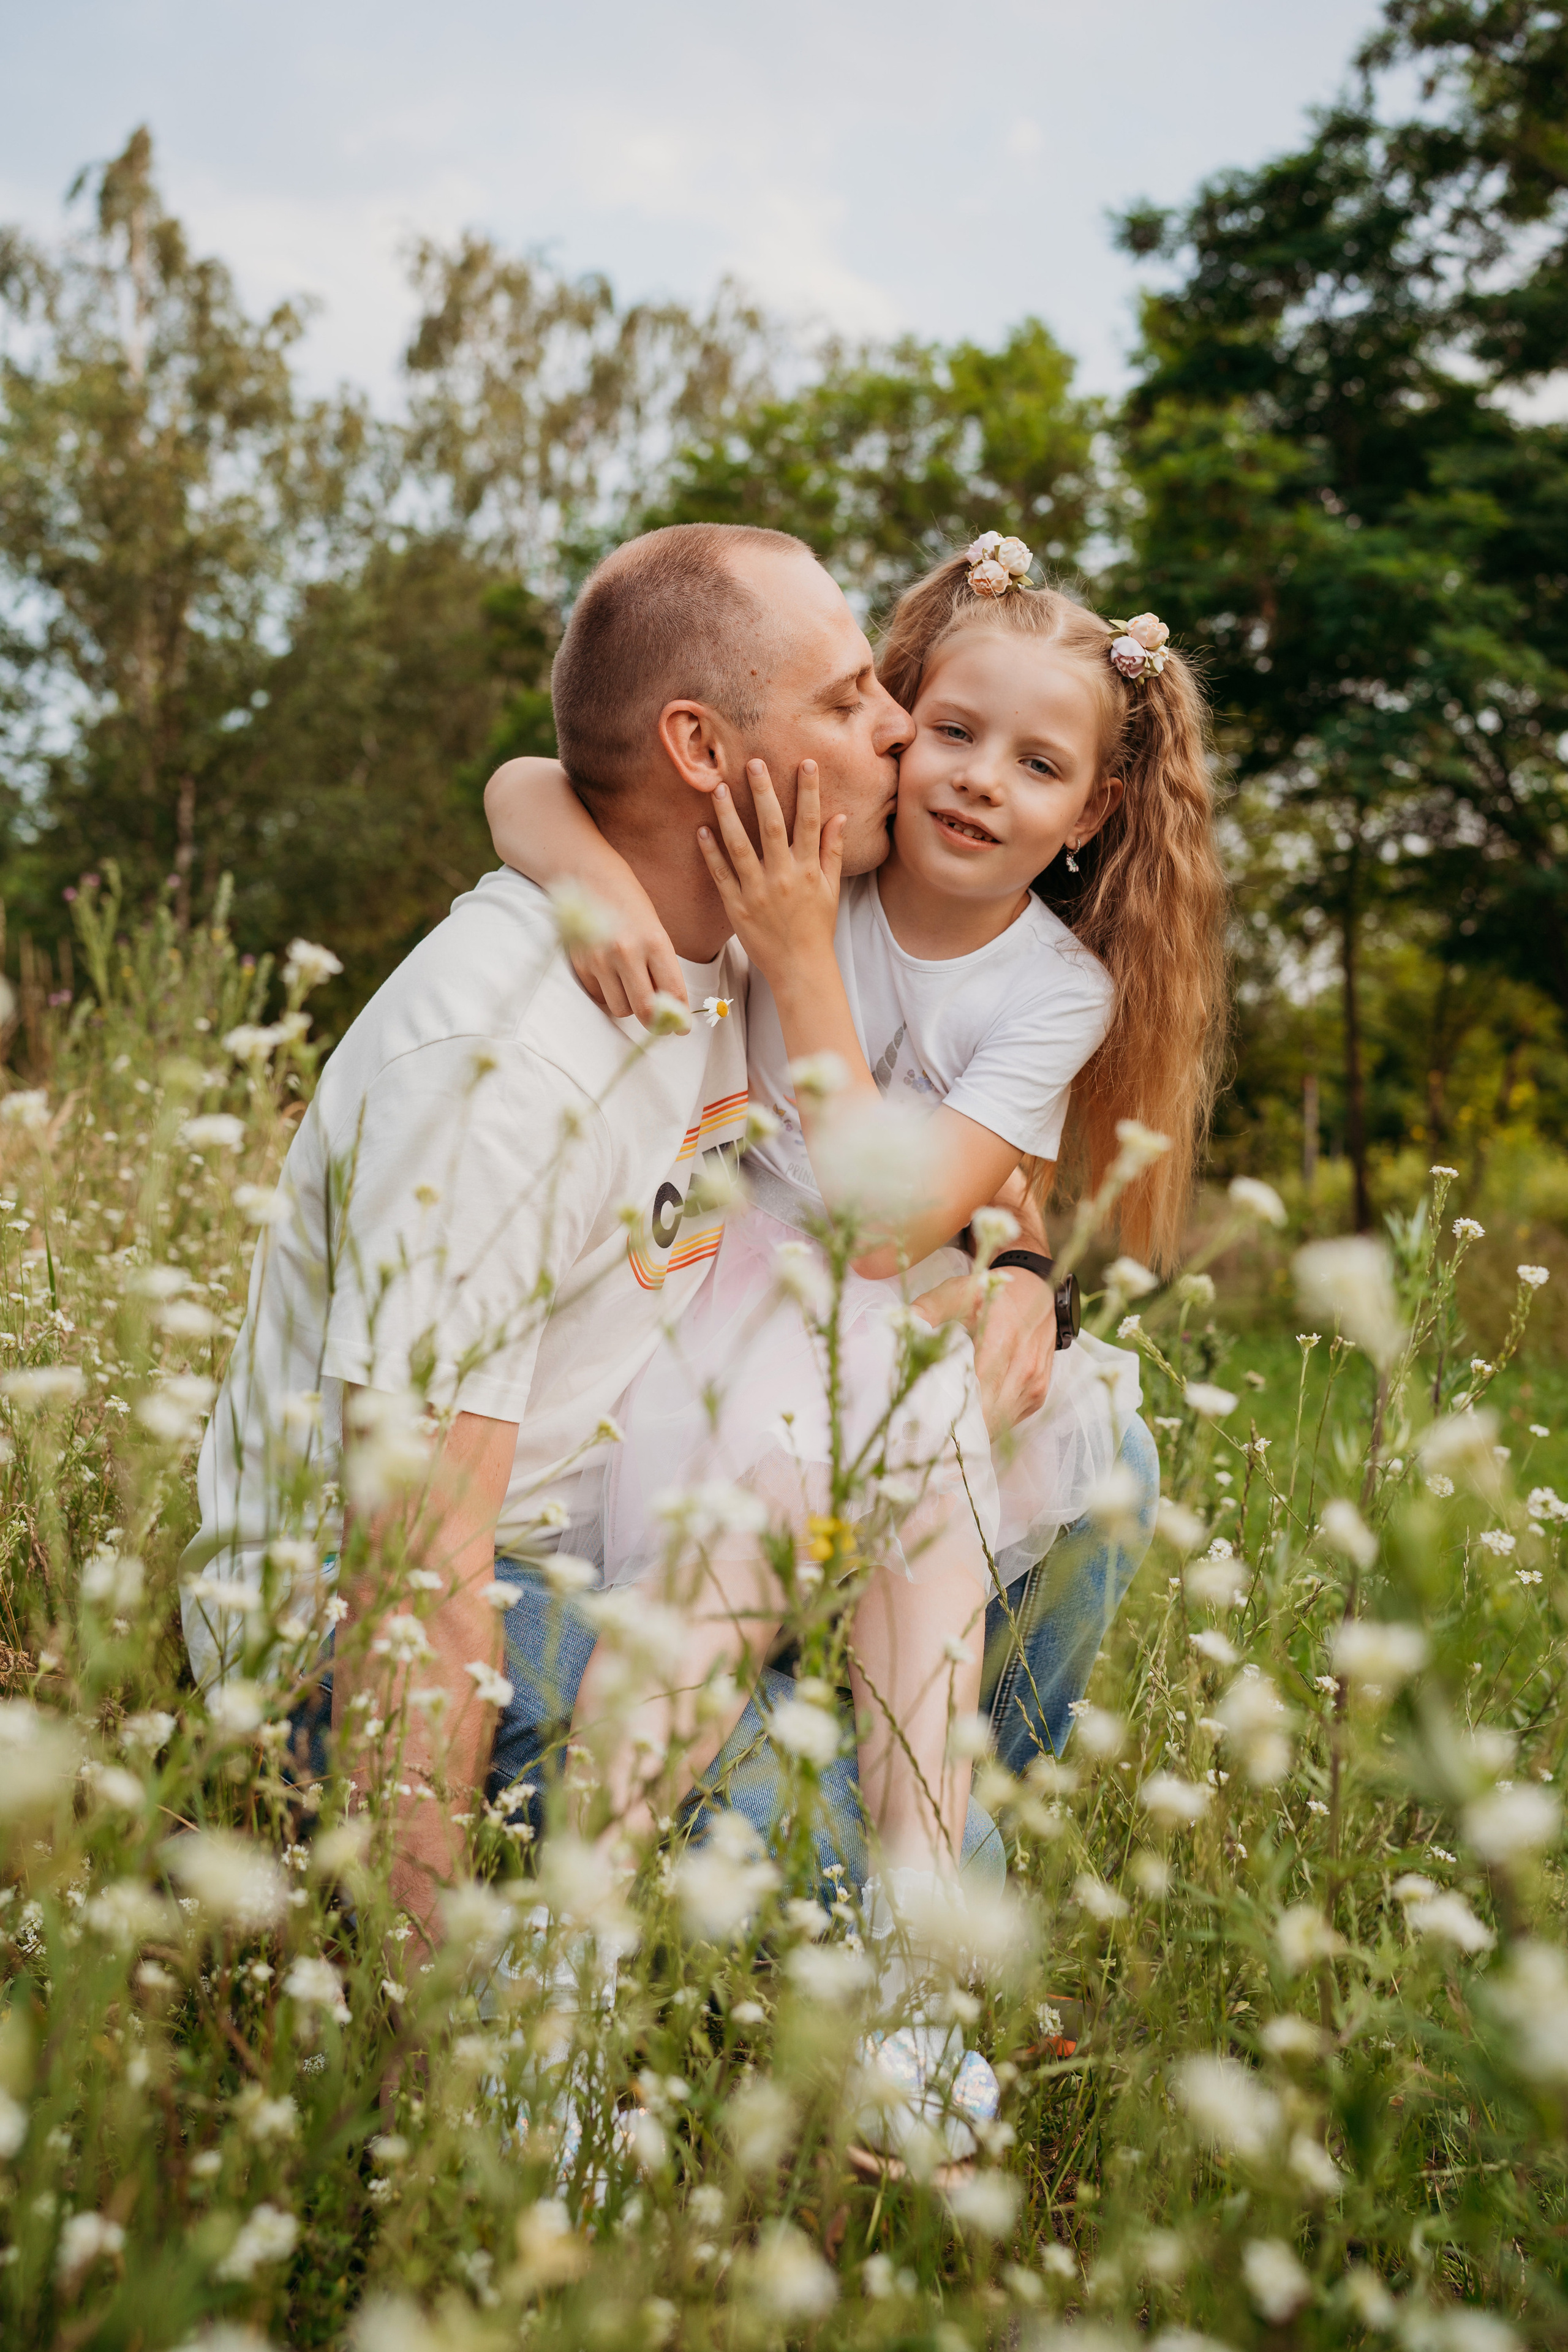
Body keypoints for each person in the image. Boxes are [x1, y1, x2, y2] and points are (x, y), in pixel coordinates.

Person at [183, 521, 1061, 1946]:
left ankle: (930, 1878)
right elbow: (417, 1567)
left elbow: (938, 1149)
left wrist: (1014, 1267)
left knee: (1080, 1472)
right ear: (705, 753)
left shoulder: (749, 938)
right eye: (848, 702)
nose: (901, 732)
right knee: (860, 1857)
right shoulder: (497, 1060)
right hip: (383, 1617)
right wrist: (413, 2046)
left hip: (620, 1527)